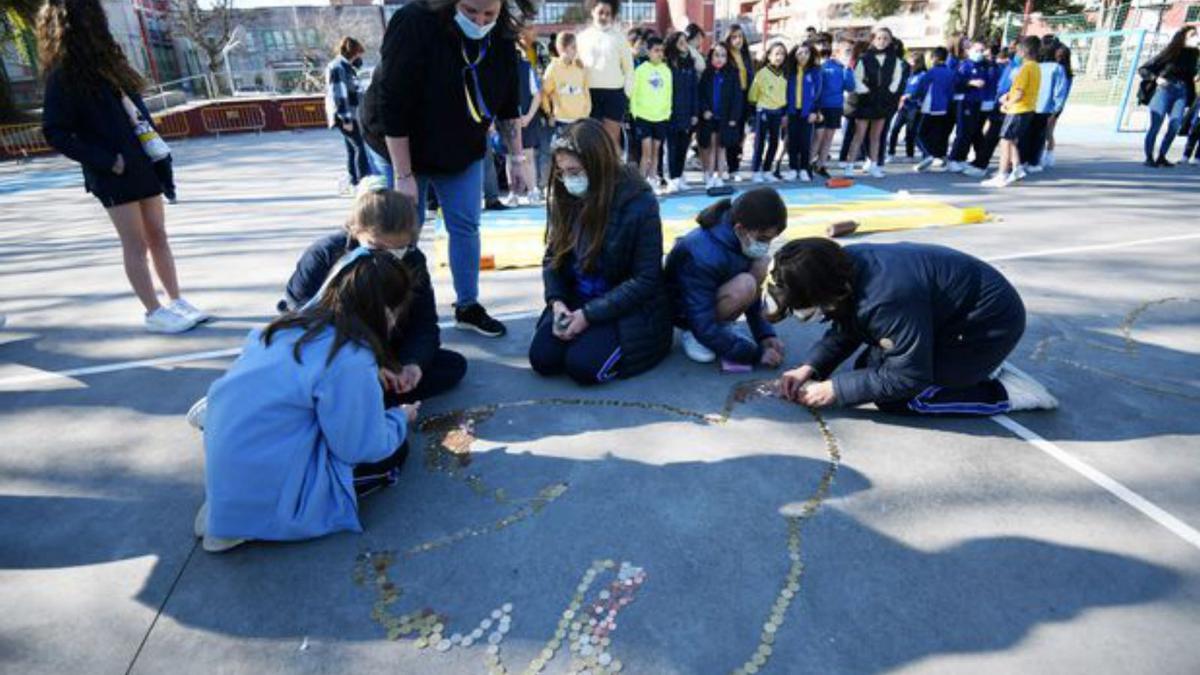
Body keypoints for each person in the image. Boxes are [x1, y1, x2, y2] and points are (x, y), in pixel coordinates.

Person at [195, 250, 420, 553]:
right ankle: (248, 522)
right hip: (271, 495)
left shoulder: (286, 326)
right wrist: (399, 419)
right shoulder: (351, 358)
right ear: (386, 312)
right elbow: (360, 447)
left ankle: (229, 509)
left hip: (233, 467)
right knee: (394, 451)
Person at [368, 0, 536, 339]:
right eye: (471, 11)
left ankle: (468, 305)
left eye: (489, 14)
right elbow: (393, 102)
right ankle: (399, 313)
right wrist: (403, 175)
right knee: (400, 232)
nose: (480, 21)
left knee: (466, 225)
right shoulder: (414, 22)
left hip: (460, 147)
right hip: (400, 142)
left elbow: (508, 105)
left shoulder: (501, 36)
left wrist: (518, 160)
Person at [38, 0, 206, 335]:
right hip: (113, 171)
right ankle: (153, 310)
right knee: (136, 243)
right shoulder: (64, 74)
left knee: (158, 235)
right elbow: (55, 131)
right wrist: (107, 160)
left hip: (143, 164)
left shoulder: (111, 65)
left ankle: (175, 300)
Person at [768, 239, 1057, 415]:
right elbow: (849, 323)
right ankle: (972, 368)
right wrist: (810, 367)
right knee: (867, 371)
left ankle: (1004, 394)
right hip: (955, 318)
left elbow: (909, 377)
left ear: (827, 294)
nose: (808, 317)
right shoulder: (841, 266)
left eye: (806, 313)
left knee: (900, 399)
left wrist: (834, 390)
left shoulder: (885, 299)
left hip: (987, 328)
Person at [277, 178, 468, 405]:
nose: (387, 258)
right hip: (333, 350)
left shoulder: (413, 259)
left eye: (398, 249)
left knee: (452, 366)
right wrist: (369, 365)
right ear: (356, 230)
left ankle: (364, 396)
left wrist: (412, 364)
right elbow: (298, 318)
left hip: (382, 350)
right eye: (377, 248)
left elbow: (423, 324)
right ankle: (363, 397)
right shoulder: (325, 254)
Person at [528, 120, 673, 385]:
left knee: (582, 367)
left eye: (574, 171)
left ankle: (608, 341)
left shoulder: (639, 203)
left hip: (627, 308)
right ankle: (584, 331)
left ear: (598, 165)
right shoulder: (566, 196)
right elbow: (553, 257)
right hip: (578, 298)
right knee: (543, 359)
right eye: (562, 172)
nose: (567, 179)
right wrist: (557, 301)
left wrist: (589, 316)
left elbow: (645, 279)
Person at [665, 188, 787, 368]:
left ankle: (720, 330)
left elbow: (754, 298)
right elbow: (701, 316)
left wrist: (764, 334)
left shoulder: (740, 238)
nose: (766, 245)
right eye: (763, 238)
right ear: (740, 228)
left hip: (704, 303)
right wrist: (755, 354)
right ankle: (693, 334)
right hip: (686, 314)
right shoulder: (703, 253)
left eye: (770, 239)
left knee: (760, 264)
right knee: (745, 284)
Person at [842, 27, 904, 178]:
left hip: (882, 102)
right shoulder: (864, 58)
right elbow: (857, 78)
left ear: (890, 41)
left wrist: (889, 92)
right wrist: (865, 91)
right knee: (859, 134)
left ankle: (874, 165)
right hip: (865, 101)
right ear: (873, 40)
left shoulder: (894, 60)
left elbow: (897, 78)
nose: (882, 41)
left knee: (876, 136)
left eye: (885, 39)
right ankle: (849, 165)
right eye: (879, 38)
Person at [982, 36, 1041, 188]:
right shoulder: (1036, 67)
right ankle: (1017, 167)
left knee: (1005, 140)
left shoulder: (1025, 68)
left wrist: (1007, 103)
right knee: (1012, 139)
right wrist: (1008, 96)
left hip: (1018, 109)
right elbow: (1022, 89)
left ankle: (1002, 174)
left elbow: (1019, 92)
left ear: (1023, 51)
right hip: (1028, 108)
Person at [1138, 26, 1199, 167]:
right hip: (1164, 90)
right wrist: (1156, 78)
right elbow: (1144, 69)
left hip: (1182, 92)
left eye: (1196, 34)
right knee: (1156, 125)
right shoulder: (1170, 52)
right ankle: (1149, 158)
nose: (1196, 37)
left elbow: (1191, 75)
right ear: (1183, 37)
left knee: (1175, 124)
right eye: (1193, 35)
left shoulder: (1195, 54)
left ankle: (1162, 156)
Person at [579, 0, 635, 149]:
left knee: (611, 141)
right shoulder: (582, 38)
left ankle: (613, 171)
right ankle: (593, 172)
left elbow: (629, 68)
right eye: (600, 12)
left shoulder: (619, 38)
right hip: (589, 94)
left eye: (608, 14)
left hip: (614, 94)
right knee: (591, 140)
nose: (604, 16)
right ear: (592, 12)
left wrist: (626, 94)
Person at [326, 37, 369, 194]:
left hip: (350, 114)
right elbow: (339, 94)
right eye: (359, 54)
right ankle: (362, 183)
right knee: (360, 147)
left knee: (352, 149)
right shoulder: (339, 67)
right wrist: (346, 119)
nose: (360, 58)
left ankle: (353, 181)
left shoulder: (345, 66)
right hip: (347, 115)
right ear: (354, 52)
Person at [513, 28, 552, 205]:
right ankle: (514, 192)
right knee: (511, 157)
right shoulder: (499, 68)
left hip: (528, 118)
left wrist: (528, 116)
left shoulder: (526, 66)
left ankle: (533, 190)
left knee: (528, 155)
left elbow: (537, 93)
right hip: (508, 122)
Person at [698, 44, 744, 189]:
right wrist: (704, 110)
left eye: (723, 55)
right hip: (710, 117)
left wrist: (733, 117)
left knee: (722, 147)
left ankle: (719, 175)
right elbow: (701, 95)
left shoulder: (732, 73)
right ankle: (710, 175)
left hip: (725, 117)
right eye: (716, 55)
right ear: (711, 56)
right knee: (711, 146)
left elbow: (737, 97)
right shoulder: (707, 74)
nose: (719, 59)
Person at [630, 36, 673, 189]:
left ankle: (653, 180)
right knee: (646, 154)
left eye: (661, 50)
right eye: (656, 50)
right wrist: (634, 112)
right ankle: (641, 184)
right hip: (643, 116)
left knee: (656, 153)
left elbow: (669, 93)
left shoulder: (666, 71)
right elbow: (634, 93)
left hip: (661, 117)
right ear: (648, 52)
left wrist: (667, 112)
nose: (659, 53)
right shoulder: (641, 70)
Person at [812, 38, 855, 178]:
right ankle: (807, 164)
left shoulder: (845, 69)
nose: (849, 55)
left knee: (829, 137)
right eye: (846, 51)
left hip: (836, 107)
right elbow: (817, 88)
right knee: (819, 136)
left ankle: (821, 165)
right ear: (836, 52)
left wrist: (848, 70)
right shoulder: (825, 66)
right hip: (822, 106)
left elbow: (850, 86)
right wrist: (816, 107)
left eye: (850, 52)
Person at [748, 41, 789, 184]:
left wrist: (784, 112)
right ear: (769, 56)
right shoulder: (762, 73)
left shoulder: (784, 75)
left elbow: (784, 96)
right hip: (763, 110)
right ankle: (755, 171)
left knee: (774, 142)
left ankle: (766, 170)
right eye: (776, 53)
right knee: (759, 143)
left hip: (777, 112)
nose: (779, 57)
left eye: (782, 54)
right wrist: (756, 113)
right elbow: (753, 95)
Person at [947, 41, 990, 173]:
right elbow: (956, 82)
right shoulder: (965, 65)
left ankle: (961, 158)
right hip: (965, 101)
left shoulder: (982, 66)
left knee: (971, 131)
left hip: (977, 102)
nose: (980, 53)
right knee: (963, 131)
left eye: (982, 51)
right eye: (977, 50)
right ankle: (954, 158)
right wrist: (970, 82)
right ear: (969, 51)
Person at [664, 31, 700, 193]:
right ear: (673, 45)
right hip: (671, 112)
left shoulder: (690, 64)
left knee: (683, 147)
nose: (684, 45)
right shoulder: (668, 64)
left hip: (687, 112)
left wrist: (694, 113)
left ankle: (679, 177)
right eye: (680, 42)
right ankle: (672, 178)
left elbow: (694, 90)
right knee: (672, 147)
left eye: (685, 41)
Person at [784, 41, 823, 182]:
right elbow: (785, 92)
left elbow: (819, 93)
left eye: (806, 53)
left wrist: (815, 111)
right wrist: (785, 112)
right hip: (792, 111)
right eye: (799, 53)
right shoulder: (790, 71)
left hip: (808, 113)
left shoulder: (815, 71)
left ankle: (805, 169)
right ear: (794, 55)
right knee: (792, 141)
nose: (803, 56)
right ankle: (793, 168)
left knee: (805, 142)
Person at [913, 47, 956, 172]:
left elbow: (921, 88)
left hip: (930, 106)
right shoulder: (950, 72)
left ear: (934, 58)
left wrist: (915, 98)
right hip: (945, 107)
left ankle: (928, 155)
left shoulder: (931, 72)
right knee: (939, 134)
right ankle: (939, 158)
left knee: (919, 133)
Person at [542, 32, 592, 135]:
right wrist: (549, 113)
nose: (576, 51)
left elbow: (585, 91)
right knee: (565, 150)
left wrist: (586, 111)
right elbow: (544, 93)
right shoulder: (553, 69)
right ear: (562, 48)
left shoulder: (580, 67)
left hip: (581, 120)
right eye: (573, 47)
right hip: (562, 121)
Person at [723, 24, 754, 182]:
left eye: (740, 36)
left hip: (744, 98)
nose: (738, 40)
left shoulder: (746, 55)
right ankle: (729, 167)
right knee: (731, 133)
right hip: (729, 100)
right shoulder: (726, 55)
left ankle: (735, 166)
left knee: (741, 134)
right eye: (734, 37)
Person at [888, 51, 926, 162]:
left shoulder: (922, 75)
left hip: (914, 107)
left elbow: (921, 90)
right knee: (895, 129)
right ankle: (891, 152)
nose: (910, 63)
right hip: (904, 106)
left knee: (910, 131)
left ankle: (910, 155)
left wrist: (910, 95)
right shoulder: (908, 74)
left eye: (913, 61)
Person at [1041, 45, 1074, 169]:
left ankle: (1049, 154)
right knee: (1047, 130)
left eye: (1060, 56)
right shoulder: (1059, 69)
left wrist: (1057, 108)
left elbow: (1061, 92)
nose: (1058, 57)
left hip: (1054, 105)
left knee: (1047, 130)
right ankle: (1047, 153)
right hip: (1052, 104)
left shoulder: (1062, 71)